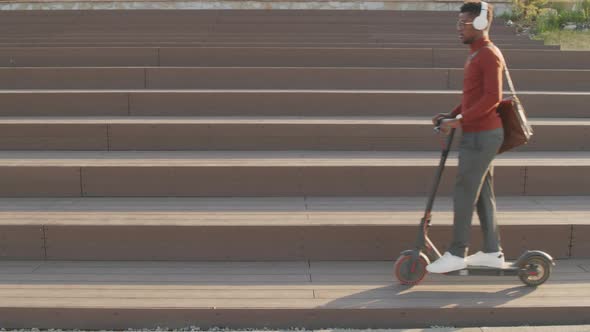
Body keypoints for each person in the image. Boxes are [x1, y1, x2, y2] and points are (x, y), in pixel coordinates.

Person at [426, 1, 506, 273]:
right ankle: (492, 252)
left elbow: (493, 97)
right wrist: (450, 114)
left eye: (464, 23)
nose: (459, 28)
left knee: (464, 193)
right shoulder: (475, 54)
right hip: (477, 133)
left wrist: (458, 121)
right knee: (483, 194)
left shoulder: (487, 54)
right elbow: (473, 98)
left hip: (483, 136)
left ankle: (457, 253)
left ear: (482, 24)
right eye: (458, 23)